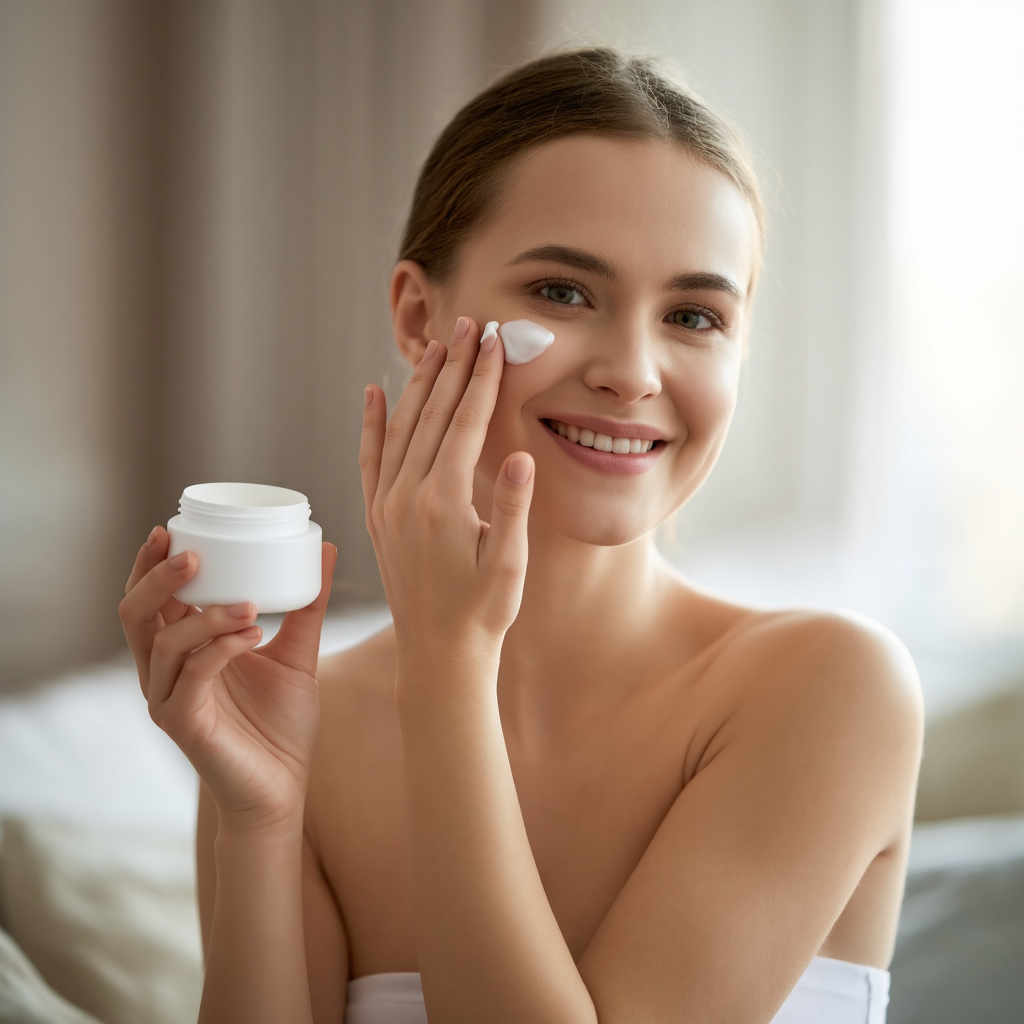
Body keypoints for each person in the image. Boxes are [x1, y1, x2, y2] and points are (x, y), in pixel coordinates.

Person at [119, 47, 922, 1024]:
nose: (633, 370)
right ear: (420, 317)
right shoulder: (299, 729)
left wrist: (449, 664)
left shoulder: (830, 686)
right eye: (565, 293)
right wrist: (258, 816)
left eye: (693, 314)